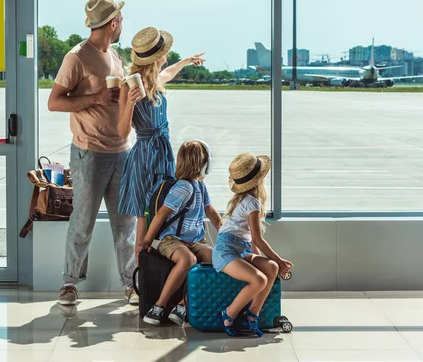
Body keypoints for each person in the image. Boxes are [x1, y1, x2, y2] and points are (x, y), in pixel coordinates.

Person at [48, 0, 138, 306]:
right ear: (113, 23)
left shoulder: (115, 56)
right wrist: (94, 99)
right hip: (89, 152)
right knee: (83, 220)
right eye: (121, 20)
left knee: (126, 223)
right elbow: (54, 102)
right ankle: (70, 283)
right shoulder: (76, 57)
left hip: (122, 151)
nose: (123, 24)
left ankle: (132, 283)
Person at [116, 26, 205, 257]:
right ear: (158, 58)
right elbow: (122, 133)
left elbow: (170, 72)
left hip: (163, 154)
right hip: (144, 156)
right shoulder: (129, 85)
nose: (167, 57)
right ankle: (142, 280)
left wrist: (185, 61)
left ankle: (162, 269)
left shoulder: (157, 79)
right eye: (165, 53)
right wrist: (130, 104)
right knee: (144, 217)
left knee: (162, 210)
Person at [140, 141, 222, 326]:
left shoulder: (200, 187)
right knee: (188, 260)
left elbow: (210, 210)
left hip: (194, 240)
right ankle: (158, 307)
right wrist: (147, 241)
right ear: (203, 164)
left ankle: (183, 304)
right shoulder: (184, 187)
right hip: (171, 240)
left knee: (217, 260)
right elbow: (162, 214)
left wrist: (224, 233)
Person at [213, 152, 293, 337]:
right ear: (259, 180)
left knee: (270, 267)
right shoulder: (252, 203)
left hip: (239, 249)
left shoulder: (241, 199)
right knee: (260, 279)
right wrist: (280, 260)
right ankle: (229, 313)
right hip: (226, 252)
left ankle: (252, 314)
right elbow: (257, 239)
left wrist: (269, 261)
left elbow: (250, 240)